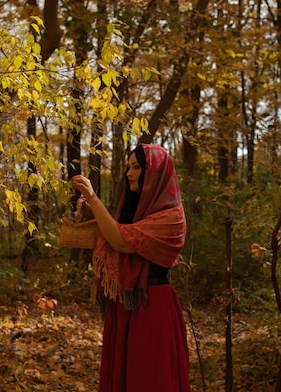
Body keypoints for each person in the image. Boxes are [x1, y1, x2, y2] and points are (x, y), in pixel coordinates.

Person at [71, 143, 191, 392]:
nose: (129, 173)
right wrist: (88, 212)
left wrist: (94, 199)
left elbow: (120, 241)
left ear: (155, 173)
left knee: (150, 378)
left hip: (153, 309)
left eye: (136, 167)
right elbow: (113, 234)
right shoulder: (138, 213)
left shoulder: (172, 217)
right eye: (128, 167)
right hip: (127, 305)